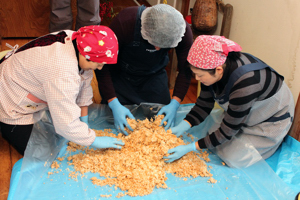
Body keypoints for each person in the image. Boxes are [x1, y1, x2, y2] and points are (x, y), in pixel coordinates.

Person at [164, 35, 295, 167]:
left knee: (232, 157)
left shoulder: (246, 84)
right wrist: (184, 125)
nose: (197, 78)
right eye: (195, 74)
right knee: (212, 136)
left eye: (200, 75)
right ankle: (240, 124)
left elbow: (227, 131)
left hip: (270, 116)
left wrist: (191, 147)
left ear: (219, 70)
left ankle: (269, 142)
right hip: (246, 109)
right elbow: (204, 104)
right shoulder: (209, 67)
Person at [0, 25, 124, 155]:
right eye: (98, 64)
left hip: (23, 76)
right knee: (41, 152)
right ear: (85, 55)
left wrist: (84, 120)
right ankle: (7, 126)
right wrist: (93, 140)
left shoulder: (79, 41)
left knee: (57, 131)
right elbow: (65, 124)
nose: (99, 68)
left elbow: (84, 81)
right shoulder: (63, 73)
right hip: (9, 97)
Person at [95, 4, 194, 135]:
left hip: (154, 75)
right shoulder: (125, 22)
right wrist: (113, 102)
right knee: (112, 121)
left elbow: (186, 70)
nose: (157, 49)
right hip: (121, 76)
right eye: (154, 43)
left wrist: (175, 102)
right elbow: (102, 64)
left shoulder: (181, 30)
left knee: (160, 121)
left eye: (164, 46)